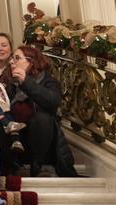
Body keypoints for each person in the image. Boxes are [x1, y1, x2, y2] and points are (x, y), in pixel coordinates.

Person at [6, 45, 77, 177]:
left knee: (42, 118)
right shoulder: (10, 85)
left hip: (41, 143)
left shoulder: (49, 82)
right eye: (11, 58)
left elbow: (52, 102)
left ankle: (38, 165)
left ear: (31, 62)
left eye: (16, 58)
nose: (11, 62)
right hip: (15, 141)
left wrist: (25, 82)